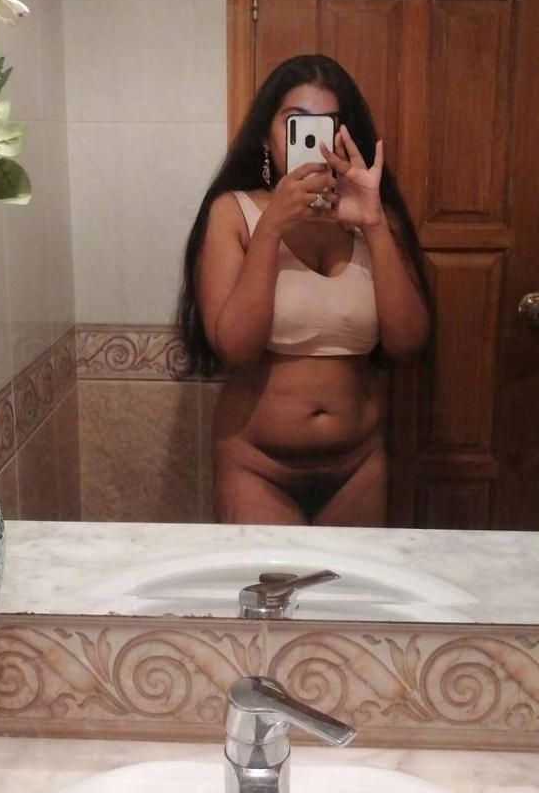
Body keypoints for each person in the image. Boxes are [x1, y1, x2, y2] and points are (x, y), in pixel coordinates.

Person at [177, 54, 431, 526]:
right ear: (266, 136)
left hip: (359, 465)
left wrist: (375, 224)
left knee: (349, 579)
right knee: (270, 579)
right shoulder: (234, 214)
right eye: (296, 123)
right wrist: (271, 228)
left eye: (327, 125)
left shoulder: (376, 218)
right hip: (256, 467)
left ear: (346, 135)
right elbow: (235, 349)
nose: (314, 142)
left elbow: (408, 342)